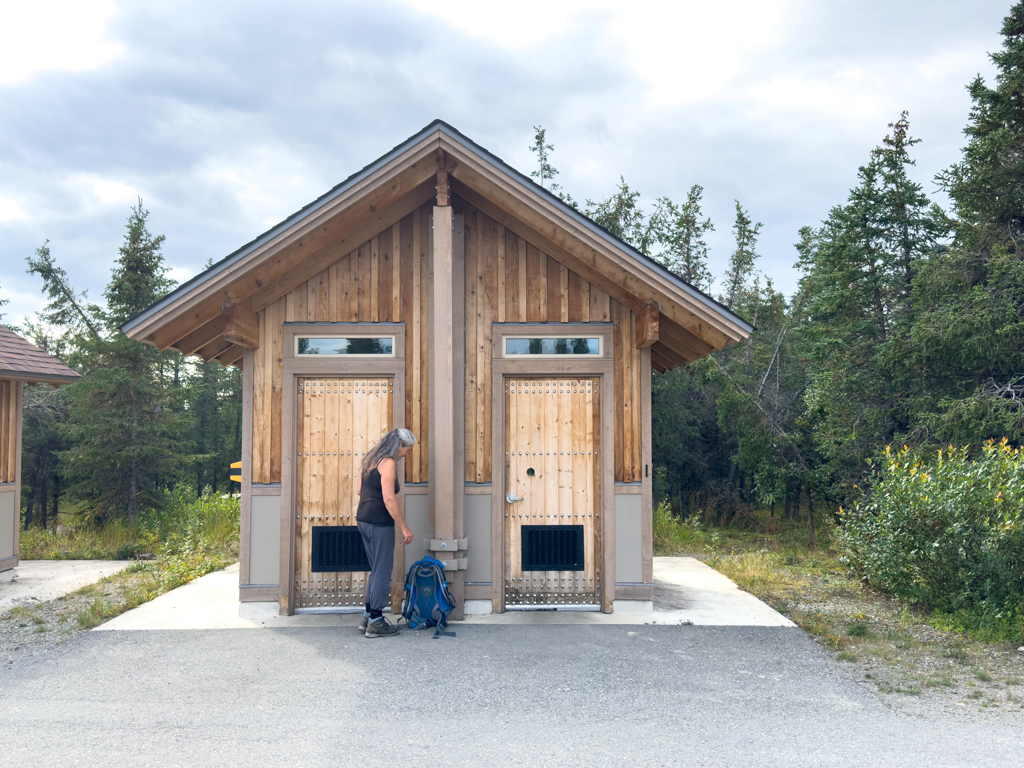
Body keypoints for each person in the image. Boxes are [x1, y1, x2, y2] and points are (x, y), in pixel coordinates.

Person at [355, 428, 416, 637]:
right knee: (382, 572)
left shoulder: (371, 459)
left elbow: (358, 490)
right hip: (379, 523)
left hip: (363, 519)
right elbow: (389, 499)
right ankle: (376, 622)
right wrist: (404, 527)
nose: (405, 454)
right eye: (406, 450)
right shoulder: (388, 463)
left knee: (375, 570)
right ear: (399, 444)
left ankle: (368, 617)